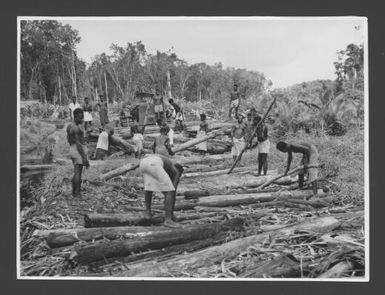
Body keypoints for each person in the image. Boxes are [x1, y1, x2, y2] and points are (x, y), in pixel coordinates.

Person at [139, 154, 184, 228]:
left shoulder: (166, 165)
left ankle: (148, 213)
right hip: (154, 163)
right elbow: (173, 192)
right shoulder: (176, 172)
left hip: (143, 163)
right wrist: (171, 213)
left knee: (149, 187)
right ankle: (168, 220)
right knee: (170, 191)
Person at [66, 108, 89, 198]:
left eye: (82, 117)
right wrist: (84, 158)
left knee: (77, 172)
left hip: (72, 149)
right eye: (80, 118)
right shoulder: (75, 128)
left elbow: (69, 139)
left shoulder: (70, 126)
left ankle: (74, 192)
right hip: (77, 150)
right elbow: (78, 144)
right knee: (78, 173)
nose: (82, 119)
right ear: (75, 116)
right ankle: (77, 194)